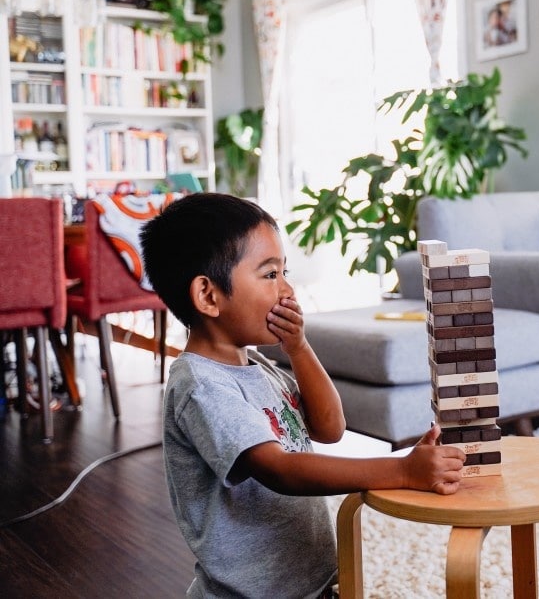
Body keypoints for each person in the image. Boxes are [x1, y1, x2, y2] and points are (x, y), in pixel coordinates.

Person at [140, 193, 466, 598]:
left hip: (308, 583)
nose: (287, 289)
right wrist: (401, 471)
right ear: (208, 296)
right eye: (269, 274)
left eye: (284, 271)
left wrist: (299, 348)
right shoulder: (202, 385)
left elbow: (330, 428)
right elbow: (279, 469)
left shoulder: (257, 366)